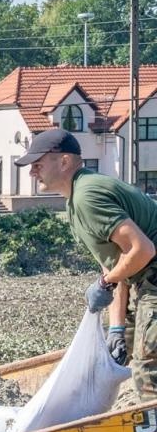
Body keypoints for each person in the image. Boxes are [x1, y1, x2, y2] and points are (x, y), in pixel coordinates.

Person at [16, 127, 157, 395]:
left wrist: (105, 282)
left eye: (38, 164)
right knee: (112, 348)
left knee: (149, 369)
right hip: (144, 277)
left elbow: (142, 250)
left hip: (152, 272)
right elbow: (116, 262)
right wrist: (117, 328)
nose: (32, 172)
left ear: (64, 161)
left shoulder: (87, 197)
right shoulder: (75, 200)